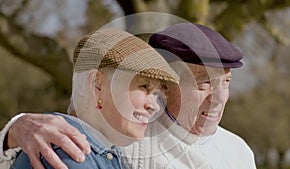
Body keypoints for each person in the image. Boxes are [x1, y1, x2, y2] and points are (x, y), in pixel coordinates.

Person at [1, 23, 256, 168]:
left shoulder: (240, 152)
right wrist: (13, 133)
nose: (220, 98)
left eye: (227, 82)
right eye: (203, 84)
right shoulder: (110, 143)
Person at [5, 27, 180, 169]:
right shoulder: (70, 155)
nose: (154, 106)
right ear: (98, 84)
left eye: (156, 94)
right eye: (144, 86)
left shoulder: (98, 152)